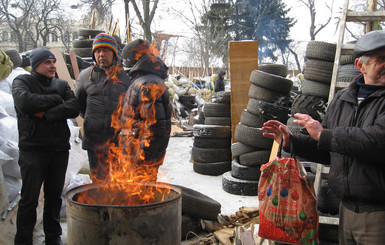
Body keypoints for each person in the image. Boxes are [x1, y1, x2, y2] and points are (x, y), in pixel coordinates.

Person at [262, 30, 385, 245]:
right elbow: (329, 148)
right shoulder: (343, 99)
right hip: (346, 210)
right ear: (360, 65)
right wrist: (292, 141)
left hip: (379, 214)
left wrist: (324, 134)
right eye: (381, 59)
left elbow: (377, 142)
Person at [12, 48, 79, 245]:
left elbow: (74, 107)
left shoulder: (61, 83)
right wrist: (57, 100)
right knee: (29, 199)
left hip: (58, 149)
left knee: (53, 198)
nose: (53, 66)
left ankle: (53, 237)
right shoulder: (22, 82)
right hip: (33, 149)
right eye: (47, 62)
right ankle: (23, 240)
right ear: (36, 65)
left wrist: (46, 113)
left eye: (53, 62)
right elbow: (25, 102)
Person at [75, 33, 131, 182]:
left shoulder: (126, 76)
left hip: (120, 139)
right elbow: (80, 104)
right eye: (98, 51)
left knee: (121, 183)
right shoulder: (86, 76)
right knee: (99, 183)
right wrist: (92, 120)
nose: (101, 55)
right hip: (95, 139)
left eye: (106, 50)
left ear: (114, 53)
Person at [120, 39, 171, 182]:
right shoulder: (143, 81)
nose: (123, 63)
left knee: (142, 201)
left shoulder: (148, 84)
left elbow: (154, 128)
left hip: (142, 162)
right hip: (137, 157)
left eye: (125, 59)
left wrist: (139, 160)